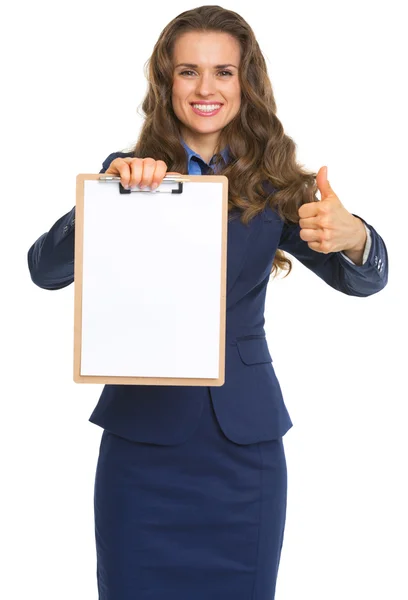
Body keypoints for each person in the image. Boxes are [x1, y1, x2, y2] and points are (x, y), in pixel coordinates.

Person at [27, 5, 388, 599]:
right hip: (142, 447)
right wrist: (110, 197)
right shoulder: (127, 175)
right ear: (165, 82)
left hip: (244, 451)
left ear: (247, 83)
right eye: (187, 71)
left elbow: (363, 280)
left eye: (224, 72)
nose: (205, 88)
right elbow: (45, 271)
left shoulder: (277, 187)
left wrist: (356, 239)